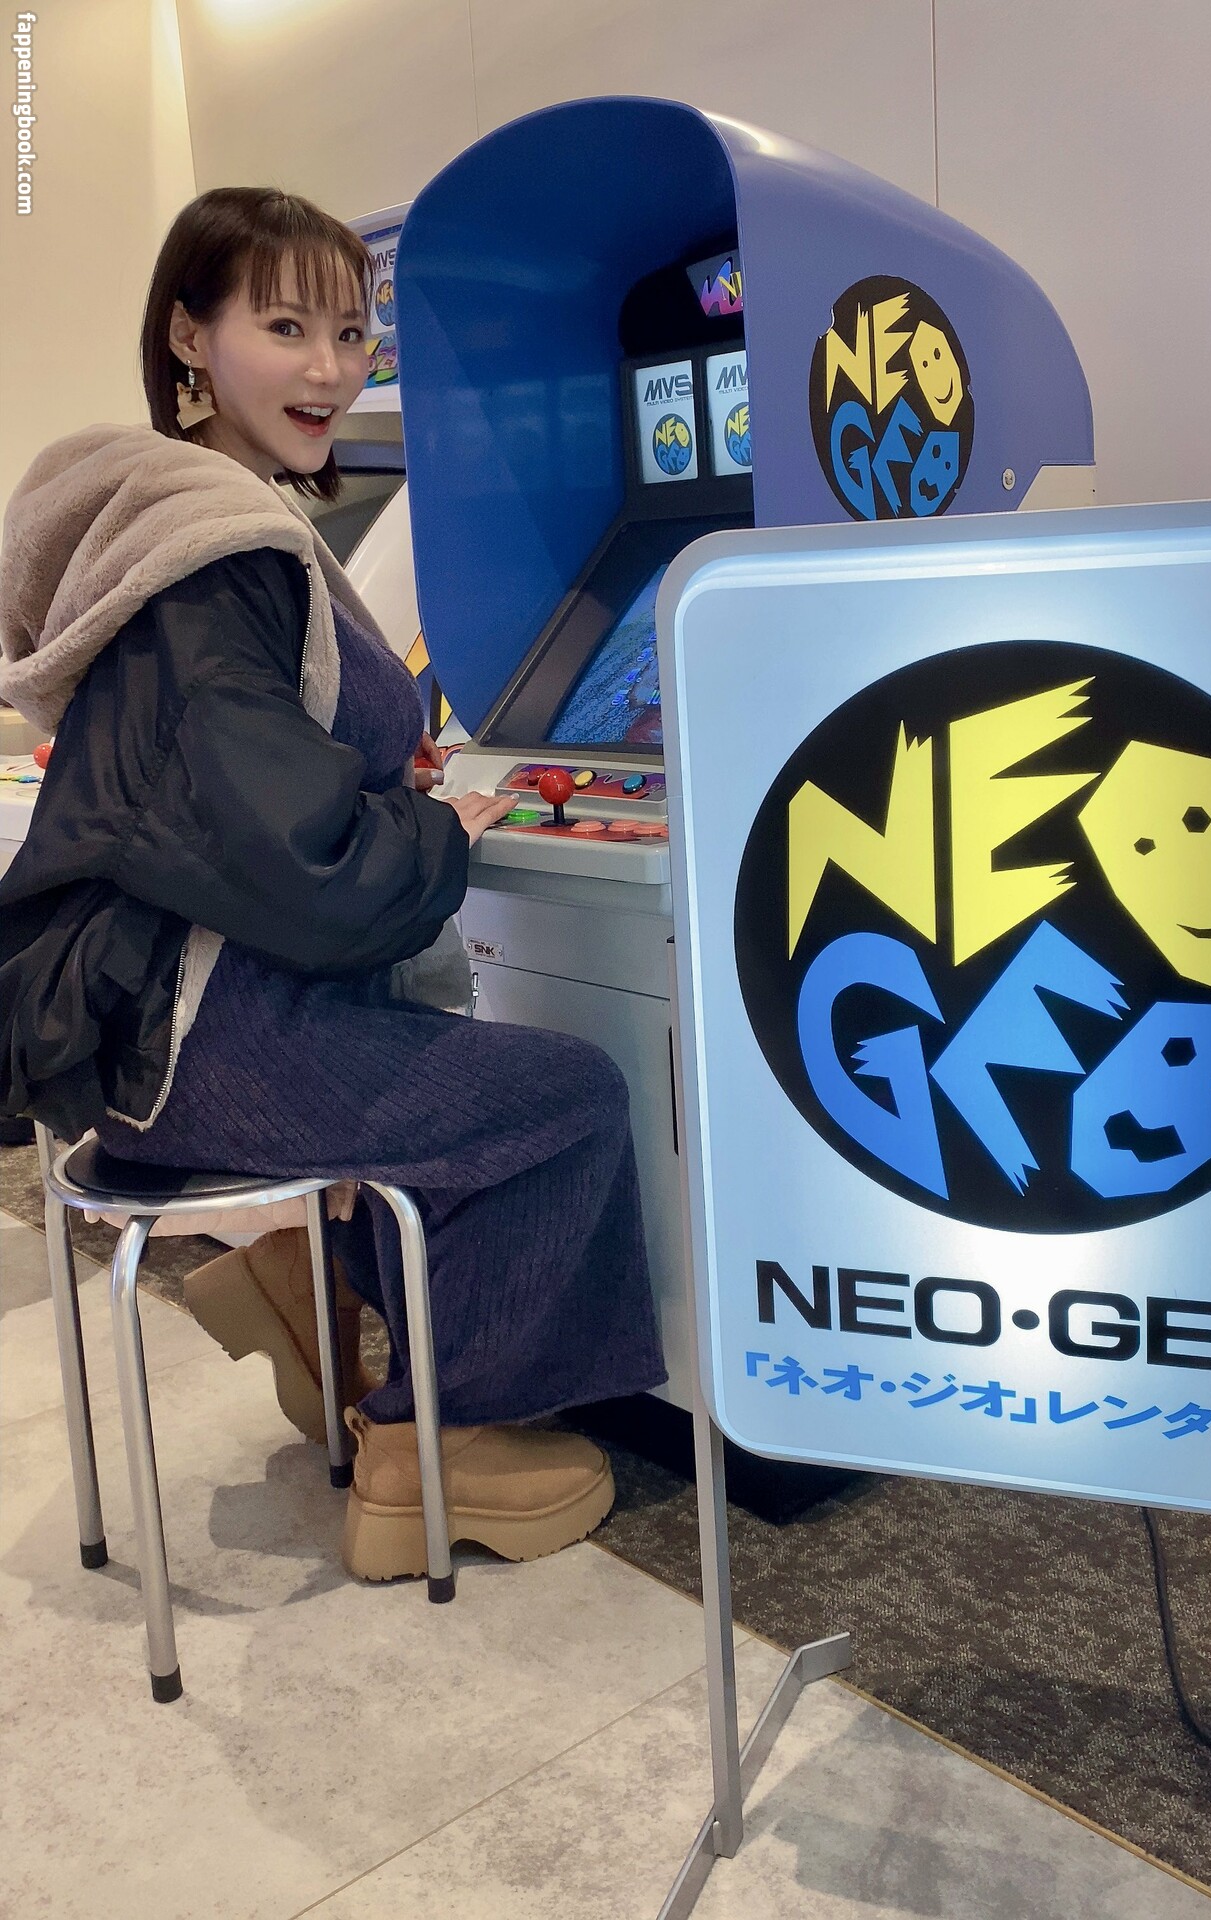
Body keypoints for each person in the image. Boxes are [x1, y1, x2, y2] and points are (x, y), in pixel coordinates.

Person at [0, 187, 666, 1578]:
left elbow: (246, 794)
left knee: (456, 1084)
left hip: (155, 1021)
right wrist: (437, 831)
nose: (330, 368)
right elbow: (293, 858)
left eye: (353, 333)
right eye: (285, 327)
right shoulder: (211, 551)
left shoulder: (191, 523)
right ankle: (443, 1446)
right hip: (202, 1027)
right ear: (190, 338)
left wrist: (394, 797)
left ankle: (304, 1290)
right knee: (560, 1100)